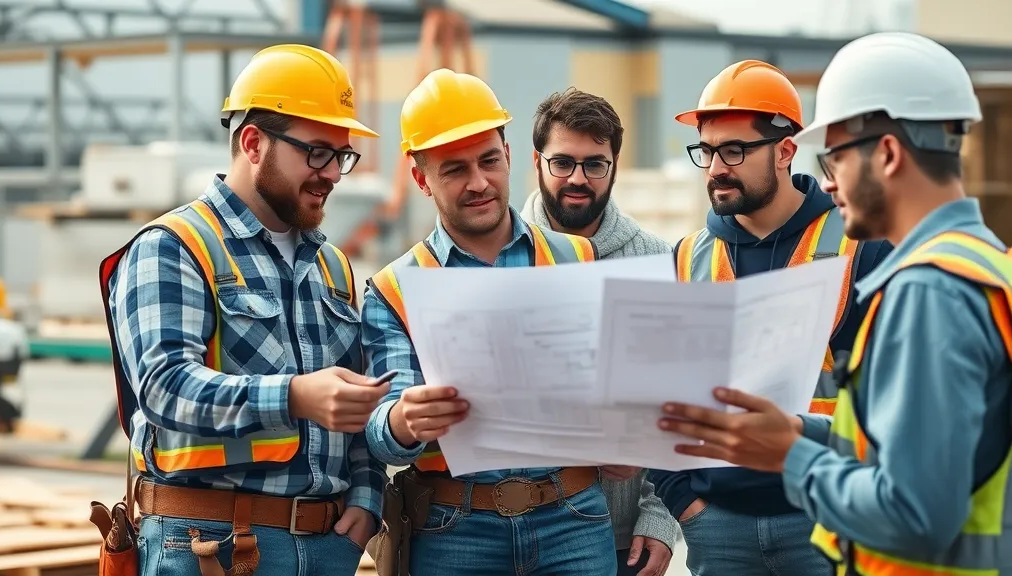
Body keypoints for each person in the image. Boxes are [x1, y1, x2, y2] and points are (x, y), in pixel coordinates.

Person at [657, 31, 1012, 575]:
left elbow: (916, 514)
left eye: (837, 157)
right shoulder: (986, 263)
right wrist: (803, 432)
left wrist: (792, 455)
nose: (828, 182)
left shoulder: (930, 288)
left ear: (887, 154)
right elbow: (908, 441)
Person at [100, 45, 388, 576]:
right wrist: (296, 396)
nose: (333, 173)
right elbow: (164, 388)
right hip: (210, 545)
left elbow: (359, 404)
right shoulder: (174, 247)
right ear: (253, 143)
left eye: (342, 156)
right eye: (317, 153)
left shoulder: (333, 267)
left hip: (328, 548)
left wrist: (368, 497)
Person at [361, 68, 618, 576]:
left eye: (489, 161)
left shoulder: (577, 259)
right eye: (455, 169)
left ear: (510, 155)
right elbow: (380, 432)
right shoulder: (394, 288)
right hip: (456, 532)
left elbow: (620, 390)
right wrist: (403, 421)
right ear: (420, 178)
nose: (479, 183)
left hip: (573, 522)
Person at [647, 59, 892, 576]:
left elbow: (890, 397)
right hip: (717, 524)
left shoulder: (860, 247)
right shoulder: (685, 258)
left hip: (824, 514)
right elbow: (656, 395)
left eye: (734, 150)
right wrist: (685, 503)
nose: (715, 167)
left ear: (785, 150)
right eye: (706, 150)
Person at [520, 86, 678, 576]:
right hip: (514, 531)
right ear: (537, 162)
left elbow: (679, 398)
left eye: (595, 164)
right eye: (563, 162)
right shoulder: (501, 257)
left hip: (621, 536)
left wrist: (661, 516)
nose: (578, 178)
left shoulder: (658, 261)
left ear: (614, 167)